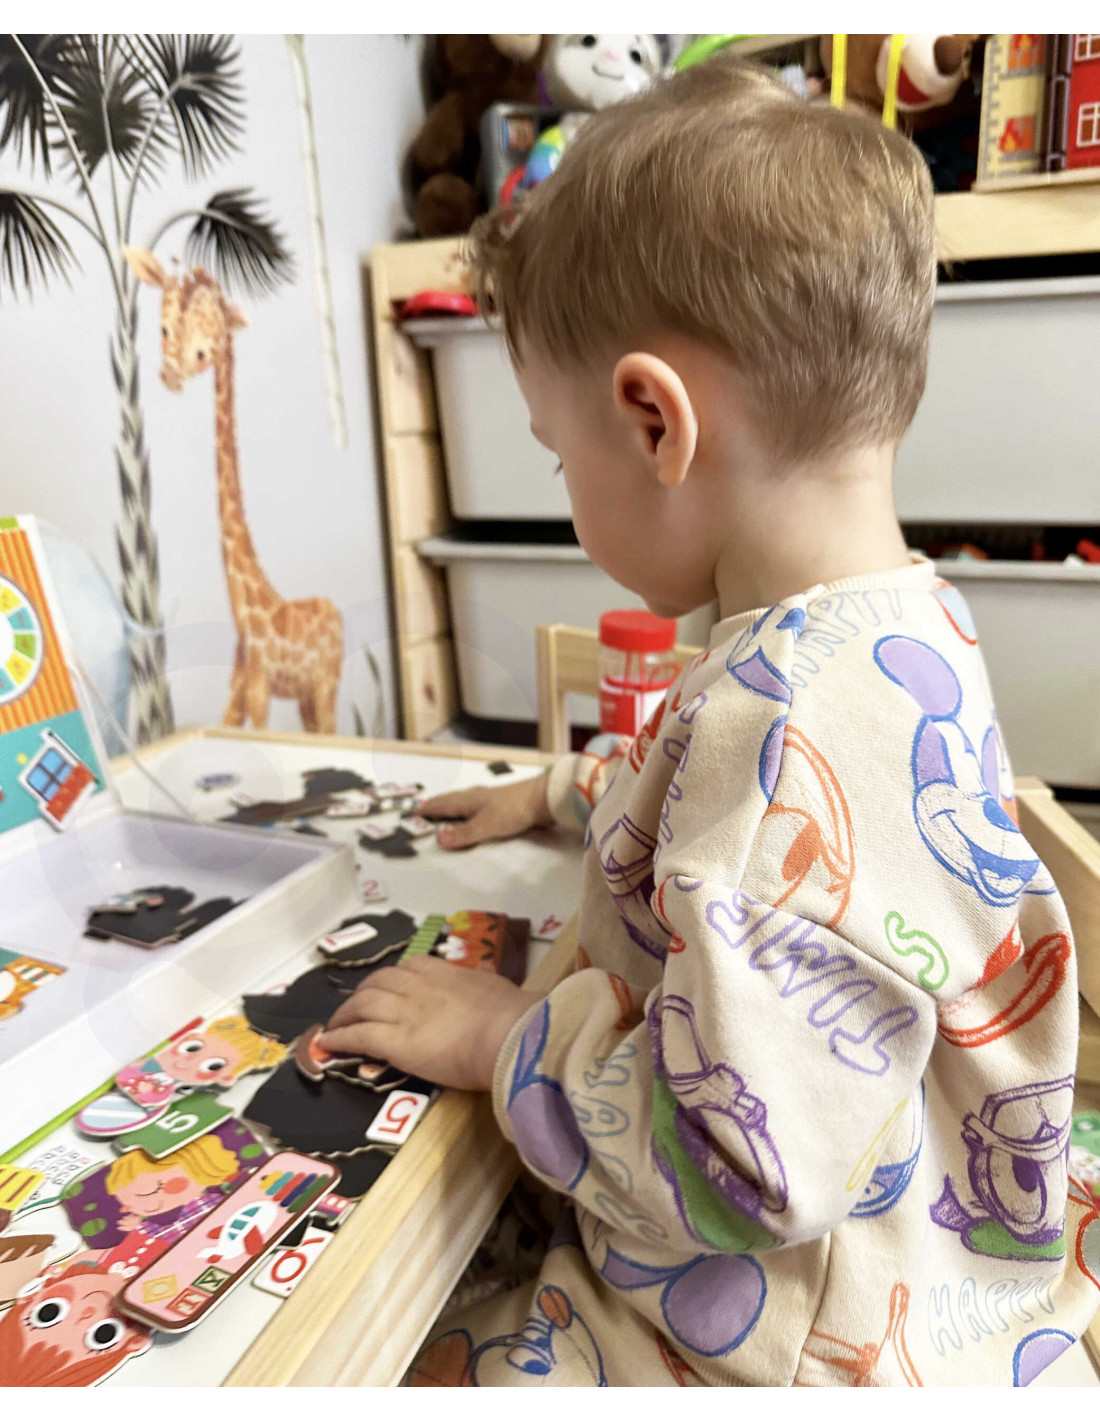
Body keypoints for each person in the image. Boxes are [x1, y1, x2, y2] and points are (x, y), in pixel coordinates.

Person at [320, 57, 1098, 1385]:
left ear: (652, 421)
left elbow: (736, 1168)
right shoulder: (893, 622)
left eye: (558, 456)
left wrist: (502, 1038)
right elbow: (718, 801)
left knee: (387, 1354)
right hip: (932, 1245)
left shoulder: (785, 728)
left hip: (804, 1337)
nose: (564, 488)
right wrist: (561, 792)